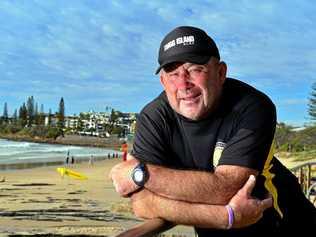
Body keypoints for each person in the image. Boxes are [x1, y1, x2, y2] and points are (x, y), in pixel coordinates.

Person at [110, 26, 316, 236]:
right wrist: (225, 217)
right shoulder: (154, 118)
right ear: (163, 82)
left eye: (195, 69)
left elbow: (226, 189)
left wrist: (141, 174)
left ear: (220, 72)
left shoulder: (251, 106)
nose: (183, 84)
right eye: (173, 73)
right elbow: (142, 203)